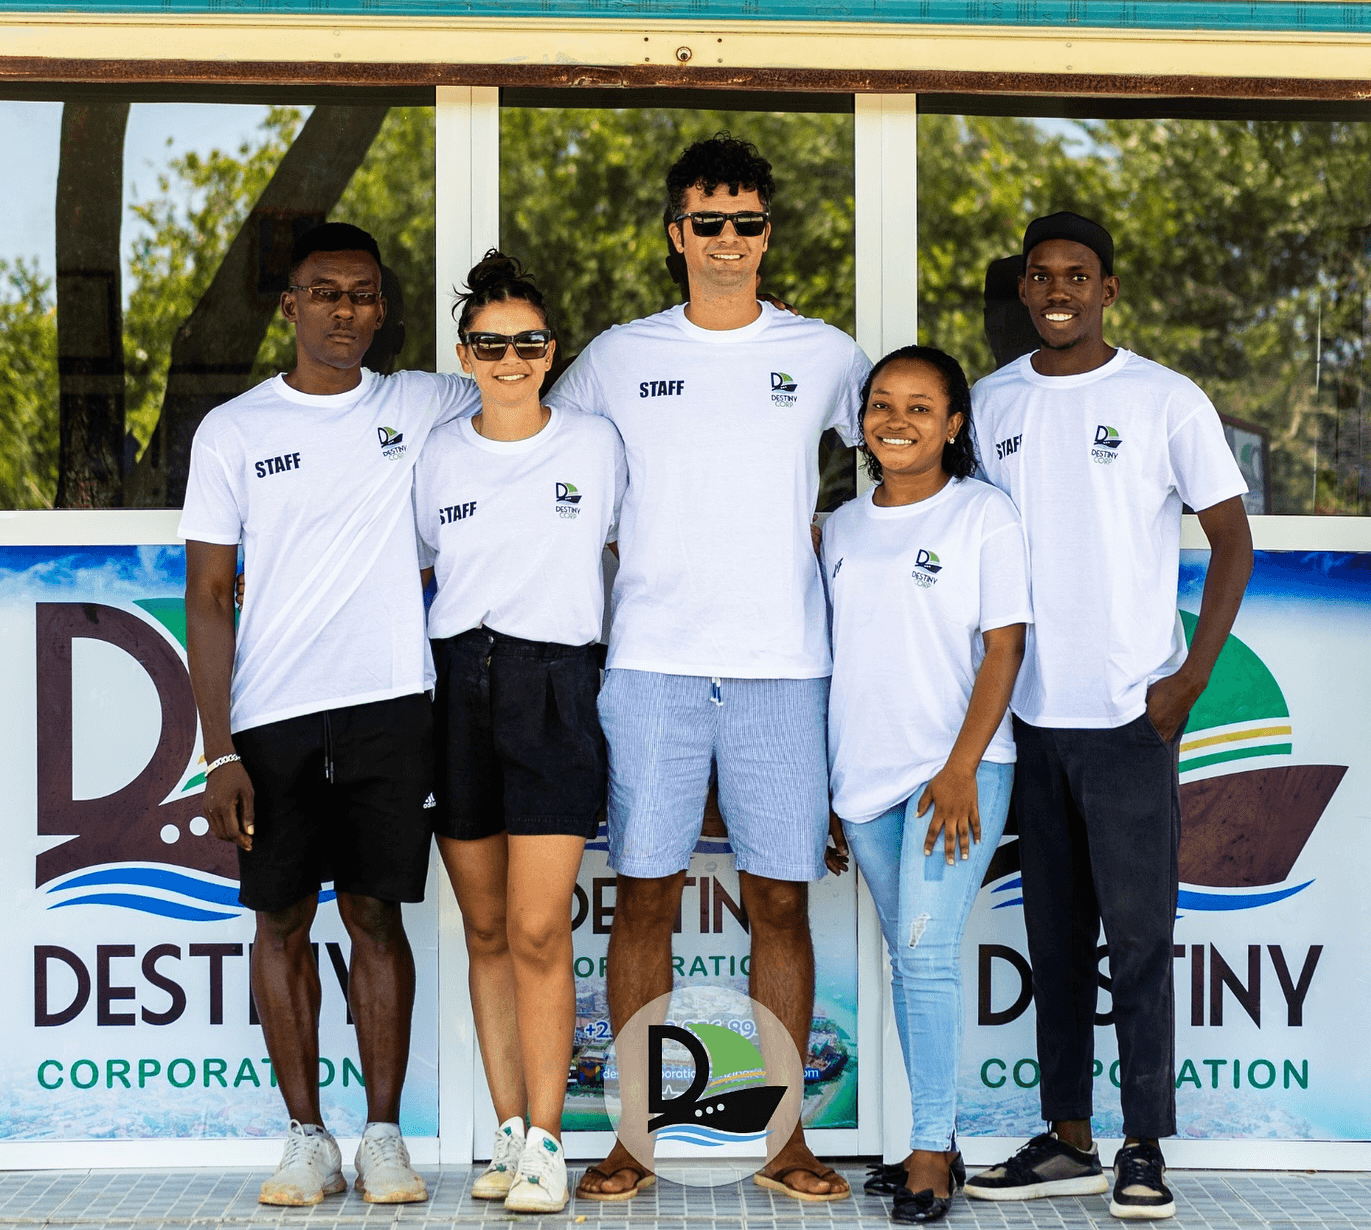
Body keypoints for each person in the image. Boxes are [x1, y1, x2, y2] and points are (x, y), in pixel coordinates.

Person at [548, 132, 871, 1205]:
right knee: (642, 901)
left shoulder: (827, 354)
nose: (730, 241)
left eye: (749, 222)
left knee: (779, 905)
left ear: (768, 233)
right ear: (676, 233)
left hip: (786, 665)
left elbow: (892, 470)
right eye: (709, 222)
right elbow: (557, 478)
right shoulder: (614, 358)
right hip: (653, 664)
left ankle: (784, 1143)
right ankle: (632, 1140)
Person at [182, 222, 480, 1208]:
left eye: (361, 294)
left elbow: (522, 388)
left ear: (383, 309)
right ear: (289, 307)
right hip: (272, 718)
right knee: (278, 921)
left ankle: (383, 1138)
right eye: (323, 292)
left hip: (393, 706)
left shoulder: (421, 403)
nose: (343, 310)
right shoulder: (233, 431)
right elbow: (208, 596)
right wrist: (218, 751)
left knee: (374, 917)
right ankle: (306, 1138)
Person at [963, 212, 1253, 1220]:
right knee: (1052, 941)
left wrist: (1190, 681)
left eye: (1076, 276)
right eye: (1041, 275)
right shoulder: (991, 401)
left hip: (1131, 718)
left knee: (1136, 939)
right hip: (1027, 720)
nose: (1058, 290)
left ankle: (1143, 1146)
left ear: (1107, 290)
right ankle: (1067, 1138)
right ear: (1025, 290)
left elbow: (1232, 542)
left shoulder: (1163, 398)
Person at [414, 253, 626, 1215]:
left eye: (528, 342)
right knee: (487, 928)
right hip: (457, 685)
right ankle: (508, 1135)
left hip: (555, 686)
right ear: (466, 355)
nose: (510, 357)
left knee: (542, 930)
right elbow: (421, 566)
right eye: (491, 343)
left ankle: (549, 1144)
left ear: (552, 351)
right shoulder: (440, 453)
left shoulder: (596, 444)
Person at [824, 346, 1030, 1225]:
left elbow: (1005, 647)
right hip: (862, 783)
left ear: (953, 425)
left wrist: (958, 767)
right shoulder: (840, 524)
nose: (895, 420)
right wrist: (835, 793)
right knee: (912, 968)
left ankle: (927, 1152)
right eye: (880, 404)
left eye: (918, 406)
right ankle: (935, 1144)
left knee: (924, 954)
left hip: (957, 772)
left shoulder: (983, 515)